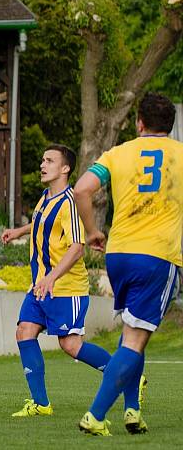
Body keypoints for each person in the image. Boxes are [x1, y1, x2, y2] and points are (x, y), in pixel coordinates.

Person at [74, 93, 182, 436]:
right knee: (136, 339)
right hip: (157, 255)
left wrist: (93, 231)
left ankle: (132, 410)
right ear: (171, 125)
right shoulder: (180, 156)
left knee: (131, 334)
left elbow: (81, 190)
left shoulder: (117, 153)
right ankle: (95, 415)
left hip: (119, 254)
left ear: (139, 122)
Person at [0, 144, 113, 418]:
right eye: (42, 160)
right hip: (42, 285)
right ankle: (40, 403)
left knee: (71, 345)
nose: (42, 165)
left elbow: (77, 246)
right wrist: (19, 231)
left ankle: (127, 374)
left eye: (49, 161)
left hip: (65, 287)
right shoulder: (45, 197)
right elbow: (42, 222)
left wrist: (51, 277)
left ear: (65, 168)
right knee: (24, 332)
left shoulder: (70, 202)